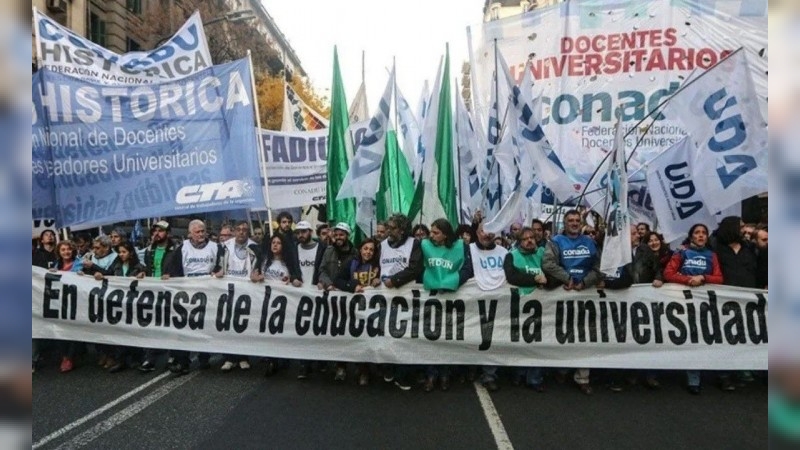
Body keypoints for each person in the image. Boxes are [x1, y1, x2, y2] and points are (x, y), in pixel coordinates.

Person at [542, 209, 602, 395]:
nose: (574, 223)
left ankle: (582, 377)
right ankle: (562, 369)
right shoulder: (556, 242)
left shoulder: (590, 243)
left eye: (577, 220)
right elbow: (548, 263)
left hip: (586, 294)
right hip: (564, 293)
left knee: (585, 337)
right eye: (571, 220)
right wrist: (568, 278)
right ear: (564, 223)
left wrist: (584, 282)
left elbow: (600, 267)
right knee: (563, 334)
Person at [664, 223, 723, 394]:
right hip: (682, 302)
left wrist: (703, 277)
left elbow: (719, 278)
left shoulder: (712, 255)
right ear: (691, 236)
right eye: (697, 233)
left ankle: (695, 377)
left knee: (699, 337)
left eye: (704, 233)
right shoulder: (681, 253)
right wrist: (689, 280)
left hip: (704, 304)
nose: (701, 235)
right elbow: (669, 273)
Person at [163, 219, 225, 375]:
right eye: (197, 232)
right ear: (190, 233)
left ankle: (204, 357)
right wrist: (168, 276)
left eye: (203, 231)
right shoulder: (182, 248)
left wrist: (219, 272)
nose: (201, 234)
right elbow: (174, 269)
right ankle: (183, 361)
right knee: (184, 327)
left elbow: (221, 266)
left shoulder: (215, 247)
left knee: (204, 325)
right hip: (187, 294)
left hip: (208, 293)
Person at [420, 218, 469, 392]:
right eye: (431, 232)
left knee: (447, 335)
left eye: (436, 233)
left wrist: (452, 281)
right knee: (431, 336)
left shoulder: (460, 247)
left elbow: (467, 269)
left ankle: (445, 374)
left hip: (451, 297)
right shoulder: (424, 245)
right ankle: (431, 374)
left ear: (445, 235)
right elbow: (418, 268)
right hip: (431, 298)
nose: (431, 235)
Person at [461, 221, 508, 392]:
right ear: (477, 232)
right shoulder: (468, 250)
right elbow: (465, 271)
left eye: (491, 231)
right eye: (483, 230)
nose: (487, 234)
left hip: (497, 304)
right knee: (472, 336)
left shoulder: (504, 252)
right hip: (473, 303)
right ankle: (471, 368)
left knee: (491, 340)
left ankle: (489, 375)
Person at [380, 214, 424, 390]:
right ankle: (388, 369)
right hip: (386, 299)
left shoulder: (414, 244)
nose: (388, 231)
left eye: (392, 228)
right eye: (388, 227)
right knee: (387, 336)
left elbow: (415, 268)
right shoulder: (382, 245)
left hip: (407, 298)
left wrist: (396, 280)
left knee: (405, 338)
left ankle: (403, 375)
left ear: (402, 230)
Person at [504, 227, 547, 392]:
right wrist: (534, 279)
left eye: (532, 238)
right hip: (520, 305)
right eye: (525, 239)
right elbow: (512, 276)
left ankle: (534, 378)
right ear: (519, 241)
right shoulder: (512, 256)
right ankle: (519, 374)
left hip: (543, 306)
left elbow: (551, 272)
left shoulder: (543, 253)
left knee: (538, 343)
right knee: (520, 341)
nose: (529, 241)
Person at [333, 238, 381, 386]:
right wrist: (352, 286)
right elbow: (338, 280)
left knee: (365, 339)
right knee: (346, 337)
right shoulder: (351, 262)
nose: (368, 252)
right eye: (365, 248)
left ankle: (364, 370)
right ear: (360, 250)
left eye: (371, 250)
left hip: (369, 309)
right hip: (351, 308)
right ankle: (341, 367)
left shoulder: (378, 265)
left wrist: (379, 280)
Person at [252, 233, 302, 377]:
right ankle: (271, 359)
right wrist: (257, 277)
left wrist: (292, 280)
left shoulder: (289, 262)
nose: (275, 245)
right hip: (265, 302)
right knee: (268, 331)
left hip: (282, 304)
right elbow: (253, 276)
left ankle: (283, 356)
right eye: (273, 242)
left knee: (280, 330)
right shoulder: (264, 260)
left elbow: (297, 279)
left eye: (278, 243)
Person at [315, 223, 357, 381]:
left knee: (345, 332)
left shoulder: (355, 253)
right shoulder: (329, 250)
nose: (338, 238)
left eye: (342, 235)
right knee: (331, 330)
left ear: (347, 235)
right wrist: (327, 283)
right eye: (336, 235)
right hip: (330, 296)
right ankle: (332, 364)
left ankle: (344, 364)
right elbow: (322, 270)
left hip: (347, 298)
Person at [98, 241, 146, 373]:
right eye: (119, 252)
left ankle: (137, 358)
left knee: (134, 329)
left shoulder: (139, 266)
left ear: (131, 253)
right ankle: (121, 359)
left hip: (133, 302)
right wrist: (97, 273)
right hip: (118, 302)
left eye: (124, 252)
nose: (121, 254)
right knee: (120, 330)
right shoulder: (117, 265)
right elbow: (107, 275)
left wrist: (143, 277)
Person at [219, 221, 260, 372]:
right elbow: (220, 265)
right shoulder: (225, 246)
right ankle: (229, 357)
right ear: (234, 231)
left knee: (243, 324)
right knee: (228, 323)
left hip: (246, 291)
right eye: (239, 229)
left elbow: (258, 265)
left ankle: (243, 357)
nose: (242, 232)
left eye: (245, 230)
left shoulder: (255, 247)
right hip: (228, 290)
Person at [138, 220, 177, 372]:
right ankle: (150, 358)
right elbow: (148, 268)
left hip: (169, 291)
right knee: (151, 324)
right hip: (152, 291)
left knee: (170, 324)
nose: (156, 234)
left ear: (168, 233)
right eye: (154, 231)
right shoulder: (149, 250)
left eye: (160, 231)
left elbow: (180, 269)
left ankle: (172, 355)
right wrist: (142, 272)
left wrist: (172, 275)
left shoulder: (176, 249)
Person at [48, 240, 84, 373]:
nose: (66, 252)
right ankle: (65, 356)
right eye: (63, 250)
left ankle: (69, 357)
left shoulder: (80, 264)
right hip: (61, 303)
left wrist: (84, 275)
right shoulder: (57, 265)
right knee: (60, 330)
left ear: (73, 250)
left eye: (68, 249)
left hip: (76, 302)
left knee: (73, 329)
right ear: (59, 252)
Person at [295, 221, 326, 289]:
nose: (300, 235)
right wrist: (293, 279)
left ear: (311, 232)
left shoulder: (322, 249)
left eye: (303, 231)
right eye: (298, 233)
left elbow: (325, 269)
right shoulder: (294, 249)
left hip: (316, 290)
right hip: (298, 291)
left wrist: (322, 282)